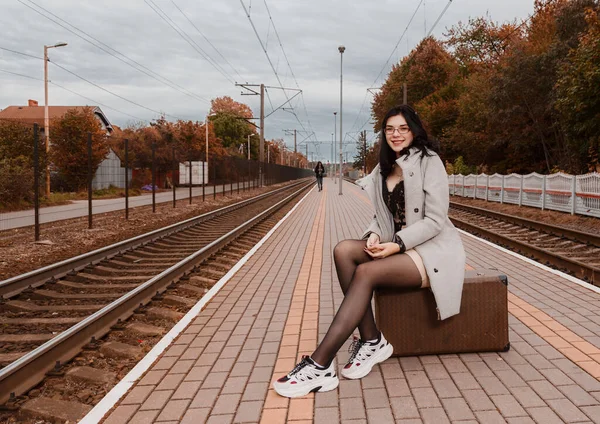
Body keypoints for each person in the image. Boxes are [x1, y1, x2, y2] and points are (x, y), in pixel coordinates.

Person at [273, 104, 466, 398]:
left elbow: (436, 220)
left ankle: (320, 364)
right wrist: (375, 235)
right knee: (343, 251)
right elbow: (381, 215)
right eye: (390, 129)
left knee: (366, 272)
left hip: (431, 253)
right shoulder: (384, 167)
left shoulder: (430, 162)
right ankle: (373, 340)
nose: (396, 134)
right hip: (399, 247)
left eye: (402, 128)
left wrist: (397, 244)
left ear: (414, 130)